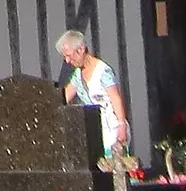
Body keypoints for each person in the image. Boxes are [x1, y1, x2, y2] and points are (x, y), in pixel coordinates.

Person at [56, 26, 130, 164]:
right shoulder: (77, 75)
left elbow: (115, 97)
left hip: (112, 129)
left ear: (81, 49)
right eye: (64, 57)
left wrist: (122, 125)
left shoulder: (103, 70)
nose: (67, 61)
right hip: (95, 131)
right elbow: (64, 97)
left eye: (69, 55)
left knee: (115, 168)